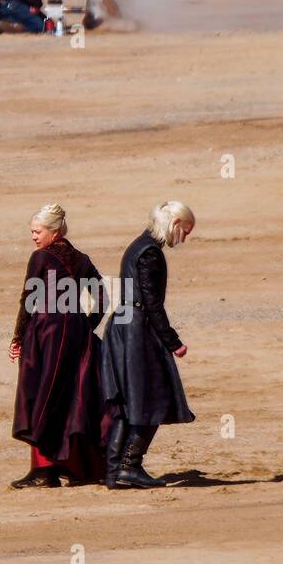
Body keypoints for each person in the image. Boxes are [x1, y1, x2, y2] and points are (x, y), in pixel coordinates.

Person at [9, 204, 109, 488]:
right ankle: (77, 468)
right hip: (76, 333)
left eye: (37, 231)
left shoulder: (40, 257)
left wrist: (18, 337)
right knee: (75, 398)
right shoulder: (82, 258)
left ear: (54, 233)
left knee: (41, 396)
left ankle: (44, 471)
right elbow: (102, 299)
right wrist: (84, 327)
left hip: (46, 332)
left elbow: (28, 298)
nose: (33, 237)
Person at [101, 201, 196, 489]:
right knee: (151, 398)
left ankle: (114, 470)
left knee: (127, 402)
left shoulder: (138, 245)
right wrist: (172, 341)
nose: (184, 238)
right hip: (136, 329)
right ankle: (130, 466)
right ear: (174, 224)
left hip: (122, 324)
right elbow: (152, 302)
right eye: (185, 231)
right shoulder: (150, 253)